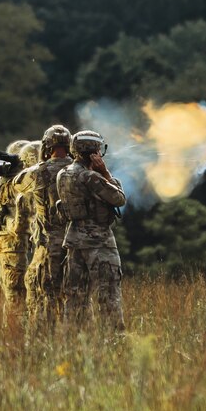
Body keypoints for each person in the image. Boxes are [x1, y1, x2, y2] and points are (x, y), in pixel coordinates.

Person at [56, 130, 126, 329]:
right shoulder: (90, 177)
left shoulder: (63, 174)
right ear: (95, 151)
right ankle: (115, 342)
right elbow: (119, 198)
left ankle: (75, 342)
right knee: (108, 295)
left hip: (74, 241)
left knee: (76, 297)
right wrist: (105, 173)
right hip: (99, 242)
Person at [14, 124, 73, 326]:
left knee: (42, 295)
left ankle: (43, 345)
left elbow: (18, 184)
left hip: (48, 245)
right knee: (74, 298)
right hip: (76, 244)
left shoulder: (38, 172)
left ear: (47, 145)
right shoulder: (79, 171)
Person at [0, 139, 32, 326]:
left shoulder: (3, 182)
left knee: (12, 292)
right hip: (13, 243)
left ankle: (13, 332)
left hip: (4, 243)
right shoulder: (13, 185)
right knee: (17, 294)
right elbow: (19, 223)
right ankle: (16, 336)